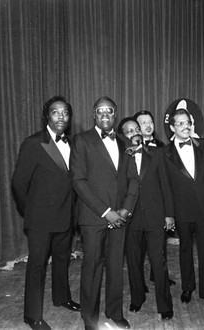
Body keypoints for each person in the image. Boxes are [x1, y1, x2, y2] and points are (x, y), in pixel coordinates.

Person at [70, 96, 139, 330]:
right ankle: (90, 319)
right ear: (94, 115)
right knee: (92, 268)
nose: (105, 114)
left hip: (121, 217)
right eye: (100, 111)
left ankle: (114, 312)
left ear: (116, 114)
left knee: (116, 267)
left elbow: (133, 180)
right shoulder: (81, 141)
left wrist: (125, 210)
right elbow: (78, 181)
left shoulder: (125, 143)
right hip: (93, 218)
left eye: (109, 110)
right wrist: (106, 212)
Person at [12, 96, 80, 330]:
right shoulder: (33, 143)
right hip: (40, 219)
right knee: (37, 266)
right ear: (46, 117)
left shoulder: (72, 144)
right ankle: (32, 316)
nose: (61, 116)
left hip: (65, 216)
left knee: (62, 260)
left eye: (65, 113)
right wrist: (30, 211)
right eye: (55, 112)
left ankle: (62, 298)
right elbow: (19, 184)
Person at [164, 105, 204, 311]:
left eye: (187, 123)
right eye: (180, 123)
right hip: (181, 210)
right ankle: (187, 287)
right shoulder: (166, 152)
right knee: (185, 249)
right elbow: (166, 187)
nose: (185, 126)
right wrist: (169, 214)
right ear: (172, 127)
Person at [117, 117, 174, 320]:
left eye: (136, 129)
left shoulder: (157, 154)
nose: (134, 133)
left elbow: (166, 185)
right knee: (133, 262)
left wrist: (169, 214)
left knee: (159, 262)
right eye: (129, 131)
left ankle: (165, 305)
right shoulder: (120, 157)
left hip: (155, 216)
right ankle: (137, 299)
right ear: (123, 136)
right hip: (131, 218)